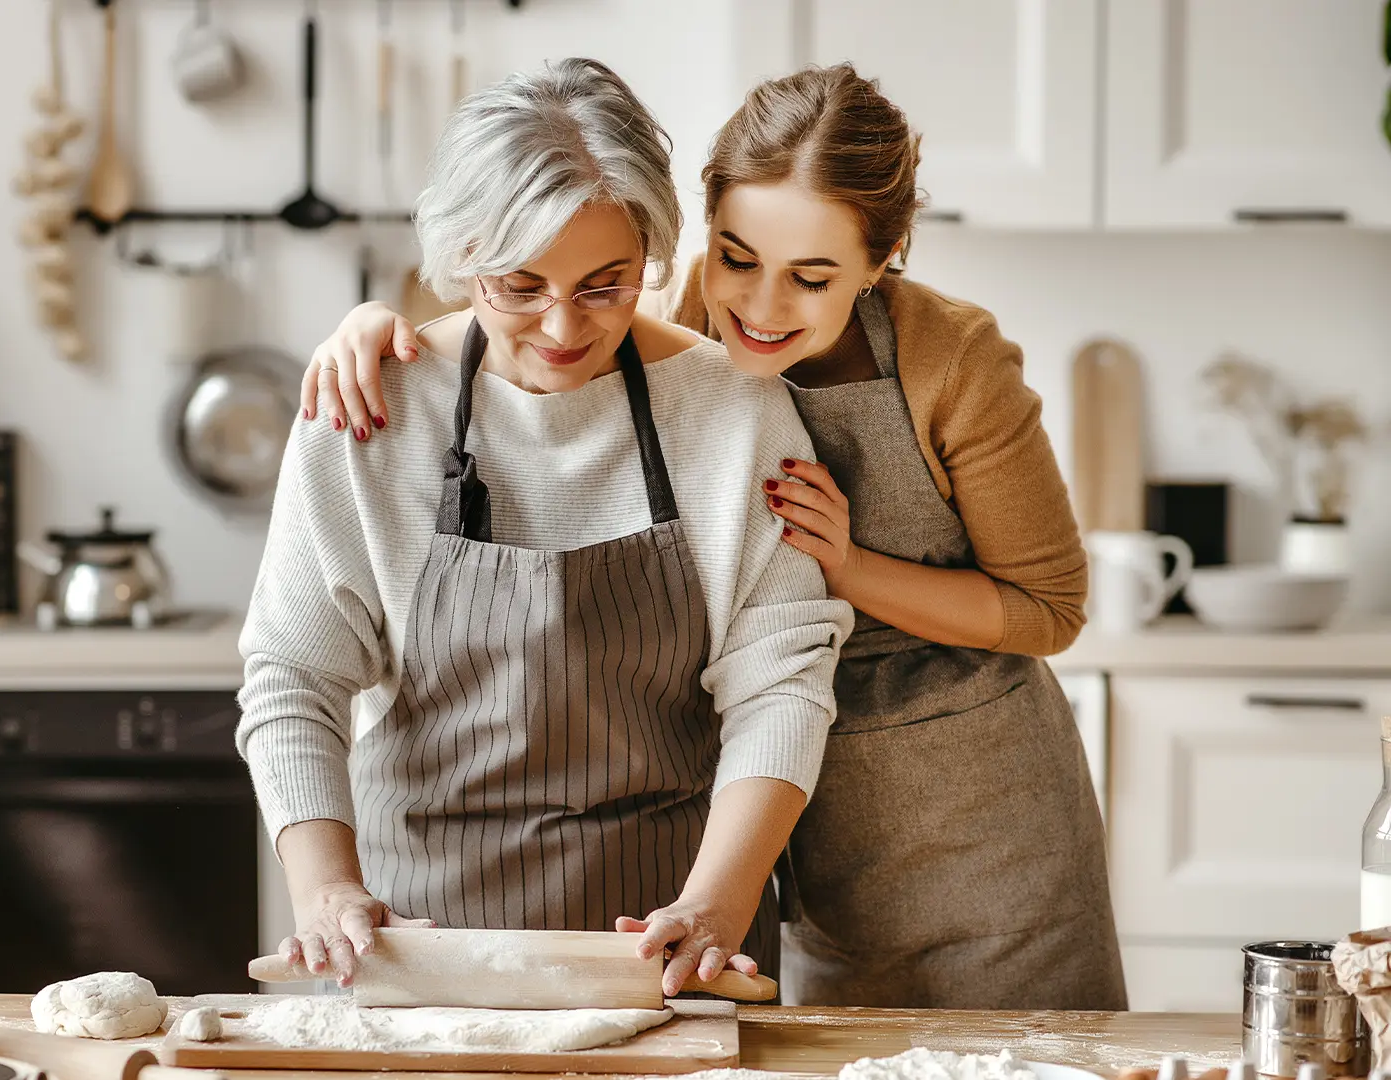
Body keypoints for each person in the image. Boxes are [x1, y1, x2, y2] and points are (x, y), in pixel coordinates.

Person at [293, 62, 1126, 1010]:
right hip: (796, 821)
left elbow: (1049, 610)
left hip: (974, 814)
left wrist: (848, 568)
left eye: (811, 278)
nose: (761, 309)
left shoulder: (947, 362)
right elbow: (541, 308)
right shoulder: (674, 325)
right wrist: (378, 329)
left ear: (884, 259)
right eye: (737, 257)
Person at [235, 57, 851, 999]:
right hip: (417, 951)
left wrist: (717, 905)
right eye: (519, 286)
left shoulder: (734, 413)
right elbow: (293, 675)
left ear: (651, 254)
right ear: (461, 258)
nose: (564, 329)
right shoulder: (369, 408)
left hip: (671, 951)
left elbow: (782, 683)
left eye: (607, 286)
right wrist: (325, 892)